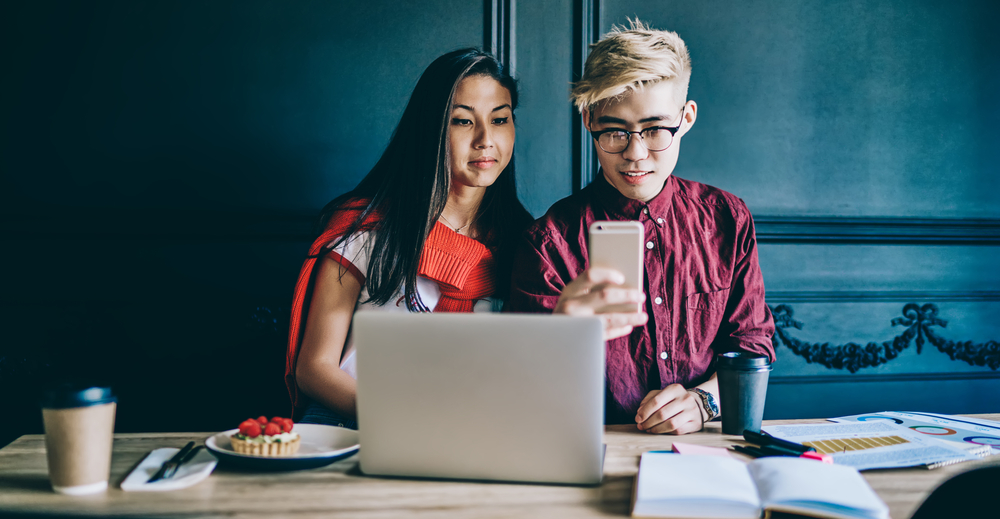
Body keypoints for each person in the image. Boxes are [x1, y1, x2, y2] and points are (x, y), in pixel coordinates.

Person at [508, 21, 775, 435]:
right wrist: (558, 335)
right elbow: (523, 392)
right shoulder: (548, 243)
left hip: (706, 453)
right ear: (588, 120)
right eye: (615, 131)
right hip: (589, 451)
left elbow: (752, 348)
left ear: (685, 119)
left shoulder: (728, 218)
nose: (635, 154)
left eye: (653, 129)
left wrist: (704, 402)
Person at [285, 49, 533, 428]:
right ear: (431, 128)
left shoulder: (526, 242)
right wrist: (402, 424)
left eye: (499, 119)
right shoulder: (367, 227)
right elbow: (315, 369)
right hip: (353, 419)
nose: (485, 139)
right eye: (463, 121)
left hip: (468, 427)